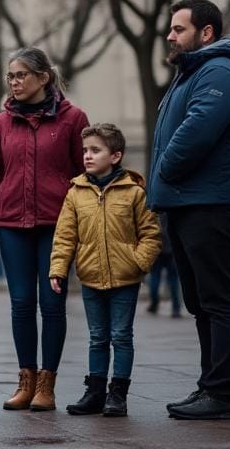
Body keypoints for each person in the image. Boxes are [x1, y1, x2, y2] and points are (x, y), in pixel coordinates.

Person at [149, 0, 230, 420]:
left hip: (209, 204)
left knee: (217, 299)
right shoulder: (190, 74)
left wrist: (164, 172)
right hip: (185, 202)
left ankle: (222, 394)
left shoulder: (219, 73)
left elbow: (195, 134)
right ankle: (209, 385)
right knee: (199, 302)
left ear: (205, 33)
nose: (171, 36)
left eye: (178, 29)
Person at [0, 46, 88, 412]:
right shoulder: (0, 123)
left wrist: (80, 223)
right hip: (11, 225)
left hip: (57, 226)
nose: (14, 82)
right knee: (22, 304)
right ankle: (25, 380)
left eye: (21, 75)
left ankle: (47, 385)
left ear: (43, 77)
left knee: (52, 304)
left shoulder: (73, 120)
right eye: (10, 76)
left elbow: (84, 174)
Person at [49, 123, 161, 418]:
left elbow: (150, 232)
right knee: (97, 336)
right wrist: (58, 270)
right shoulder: (76, 193)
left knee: (121, 336)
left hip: (126, 278)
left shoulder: (134, 192)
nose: (87, 155)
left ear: (115, 156)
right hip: (90, 277)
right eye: (85, 150)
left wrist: (139, 261)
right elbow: (64, 236)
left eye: (95, 150)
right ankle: (95, 391)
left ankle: (118, 394)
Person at [146, 216, 182, 318]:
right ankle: (176, 308)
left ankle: (154, 303)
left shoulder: (154, 209)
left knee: (155, 277)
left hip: (157, 249)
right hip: (171, 249)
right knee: (173, 280)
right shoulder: (170, 207)